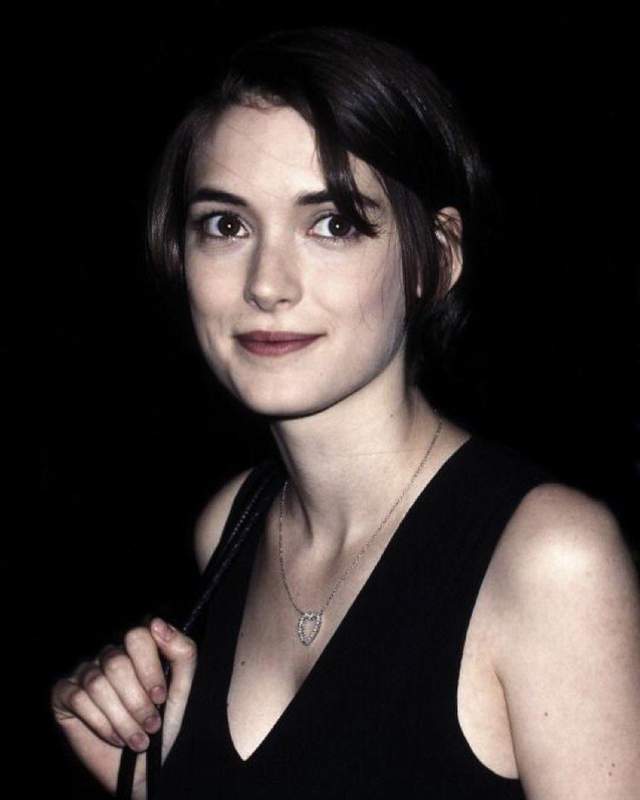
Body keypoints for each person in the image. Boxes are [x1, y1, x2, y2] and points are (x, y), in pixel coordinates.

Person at [51, 26, 640, 799]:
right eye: (226, 225)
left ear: (438, 260)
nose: (268, 284)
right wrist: (146, 777)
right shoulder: (231, 523)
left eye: (331, 223)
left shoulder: (549, 558)